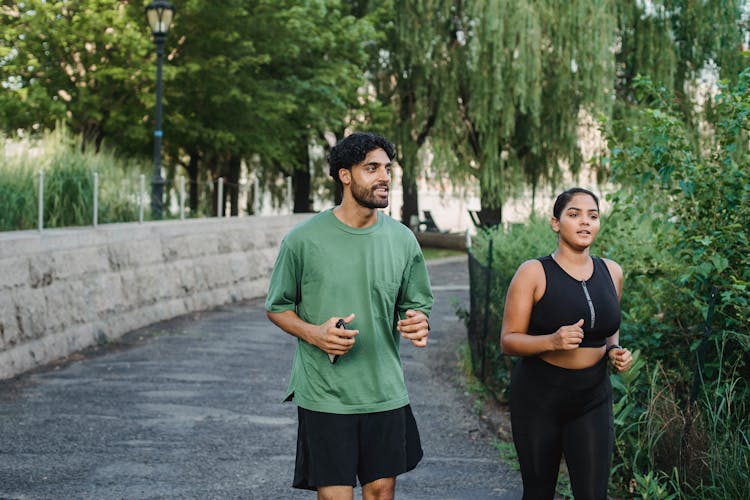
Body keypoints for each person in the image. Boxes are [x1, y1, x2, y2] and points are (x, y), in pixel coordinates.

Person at [265, 132, 433, 500]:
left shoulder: (403, 239)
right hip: (326, 392)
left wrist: (419, 321)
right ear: (345, 175)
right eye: (371, 168)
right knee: (335, 495)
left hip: (384, 389)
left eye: (387, 168)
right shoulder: (303, 240)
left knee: (381, 491)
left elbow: (416, 303)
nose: (384, 177)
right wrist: (315, 334)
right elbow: (277, 306)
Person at [500, 187, 633, 500]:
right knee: (538, 492)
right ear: (556, 223)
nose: (585, 222)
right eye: (574, 215)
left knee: (592, 494)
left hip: (592, 397)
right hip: (539, 397)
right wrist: (552, 340)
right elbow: (508, 341)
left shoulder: (612, 272)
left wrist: (614, 350)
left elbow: (609, 328)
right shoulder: (534, 272)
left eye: (593, 216)